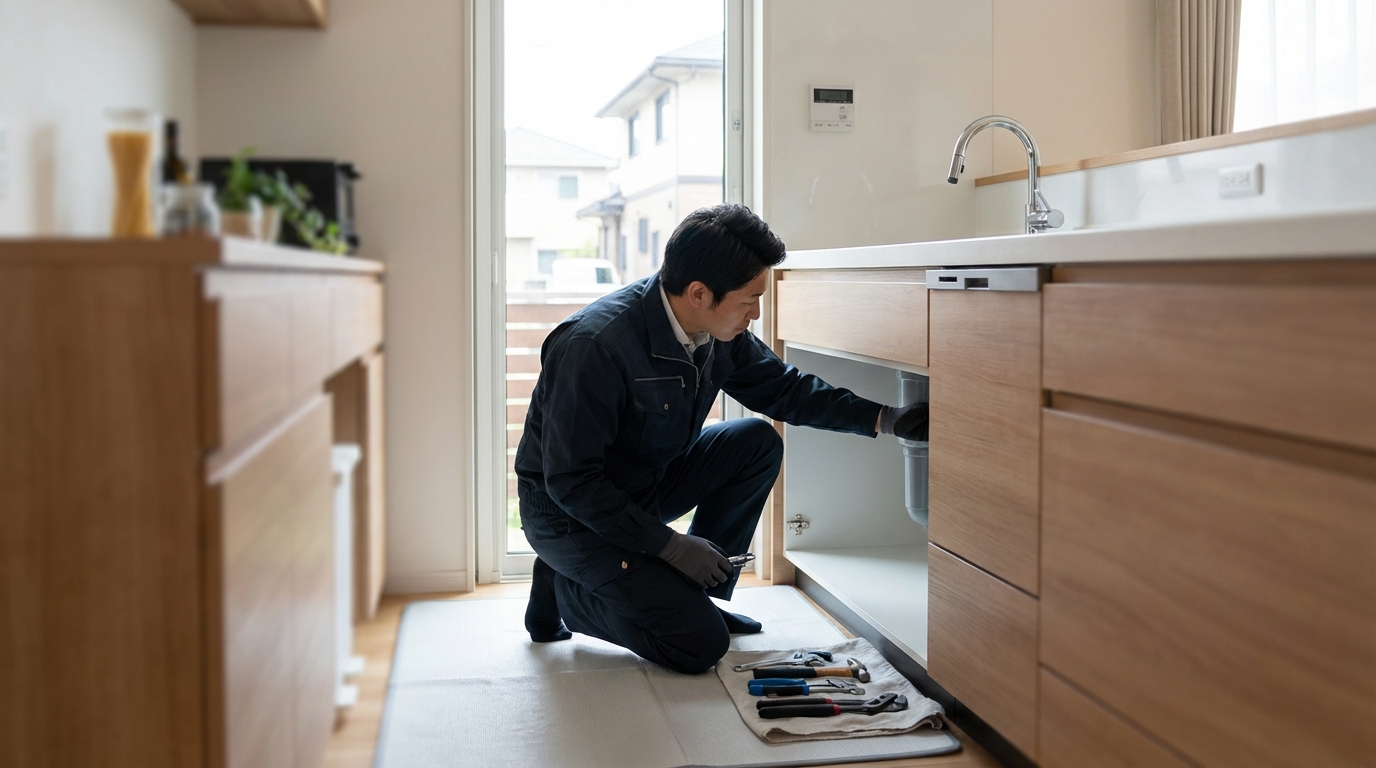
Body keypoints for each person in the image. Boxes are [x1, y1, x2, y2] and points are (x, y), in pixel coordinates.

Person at [514, 203, 926, 674]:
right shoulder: (595, 346)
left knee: (755, 441)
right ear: (699, 293)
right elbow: (572, 483)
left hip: (641, 489)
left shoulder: (715, 332)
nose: (755, 312)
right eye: (749, 299)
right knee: (698, 644)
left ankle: (690, 593)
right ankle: (567, 591)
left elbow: (784, 389)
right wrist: (670, 546)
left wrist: (885, 417)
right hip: (569, 517)